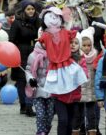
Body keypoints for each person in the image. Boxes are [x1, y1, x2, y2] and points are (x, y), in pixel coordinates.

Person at [38, 7, 88, 135]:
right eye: (70, 43)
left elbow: (84, 75)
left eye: (75, 43)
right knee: (63, 120)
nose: (72, 45)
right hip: (59, 96)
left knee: (71, 122)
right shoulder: (49, 37)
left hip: (74, 96)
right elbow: (42, 43)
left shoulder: (78, 61)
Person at [9, 0, 41, 117]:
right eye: (28, 9)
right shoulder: (17, 23)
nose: (31, 11)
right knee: (22, 79)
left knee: (34, 77)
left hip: (36, 52)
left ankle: (32, 103)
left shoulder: (38, 21)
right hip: (21, 52)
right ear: (23, 10)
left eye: (32, 9)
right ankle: (24, 105)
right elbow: (11, 40)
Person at [72, 27, 98, 135]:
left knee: (92, 115)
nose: (86, 48)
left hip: (91, 91)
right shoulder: (77, 57)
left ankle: (92, 131)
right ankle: (78, 131)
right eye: (84, 45)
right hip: (79, 91)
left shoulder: (95, 57)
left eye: (89, 45)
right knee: (78, 115)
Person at [25, 41, 54, 135]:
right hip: (38, 90)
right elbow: (28, 70)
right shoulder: (33, 55)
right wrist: (31, 79)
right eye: (44, 41)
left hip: (51, 90)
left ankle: (46, 130)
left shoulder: (54, 53)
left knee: (50, 115)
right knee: (40, 114)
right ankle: (40, 132)